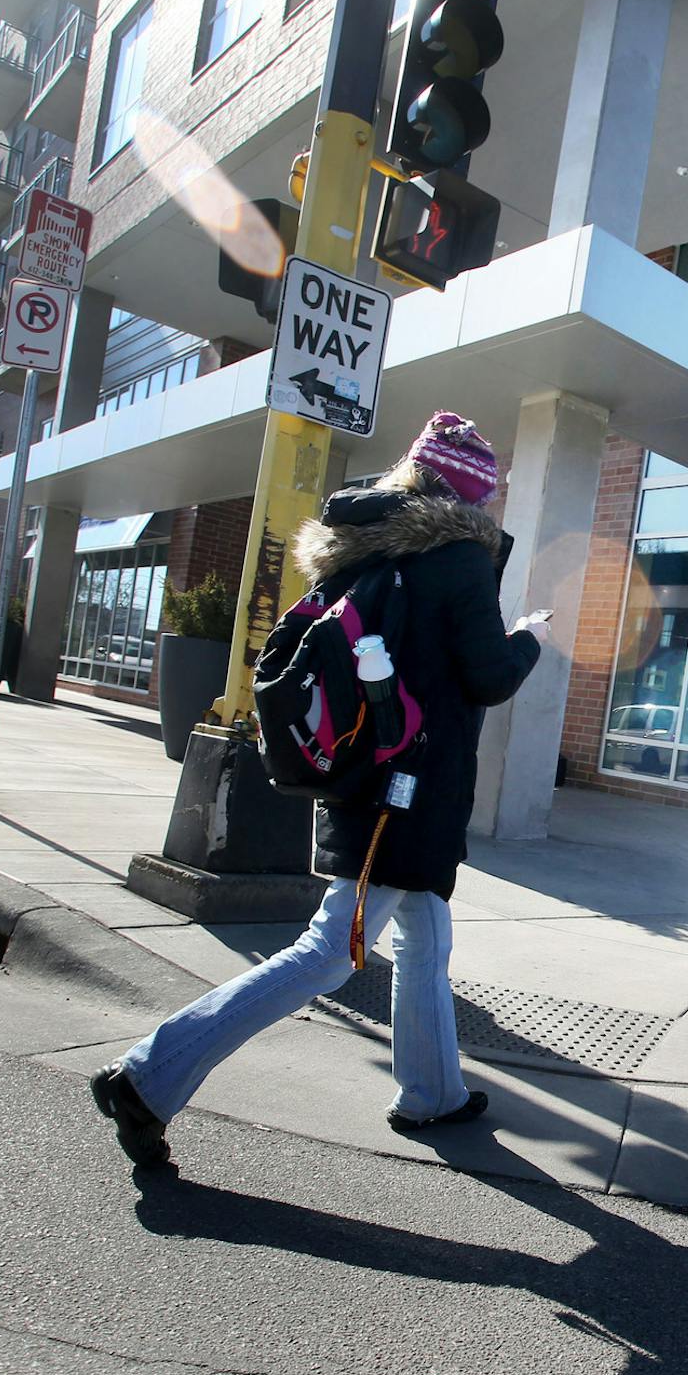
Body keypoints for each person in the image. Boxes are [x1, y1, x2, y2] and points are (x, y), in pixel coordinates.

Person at [90, 411, 546, 1169]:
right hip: (409, 795)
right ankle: (148, 1076)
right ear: (472, 497)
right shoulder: (458, 559)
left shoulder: (364, 548)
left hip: (368, 777)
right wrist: (529, 634)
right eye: (490, 498)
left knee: (427, 937)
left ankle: (431, 1092)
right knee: (329, 952)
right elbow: (490, 675)